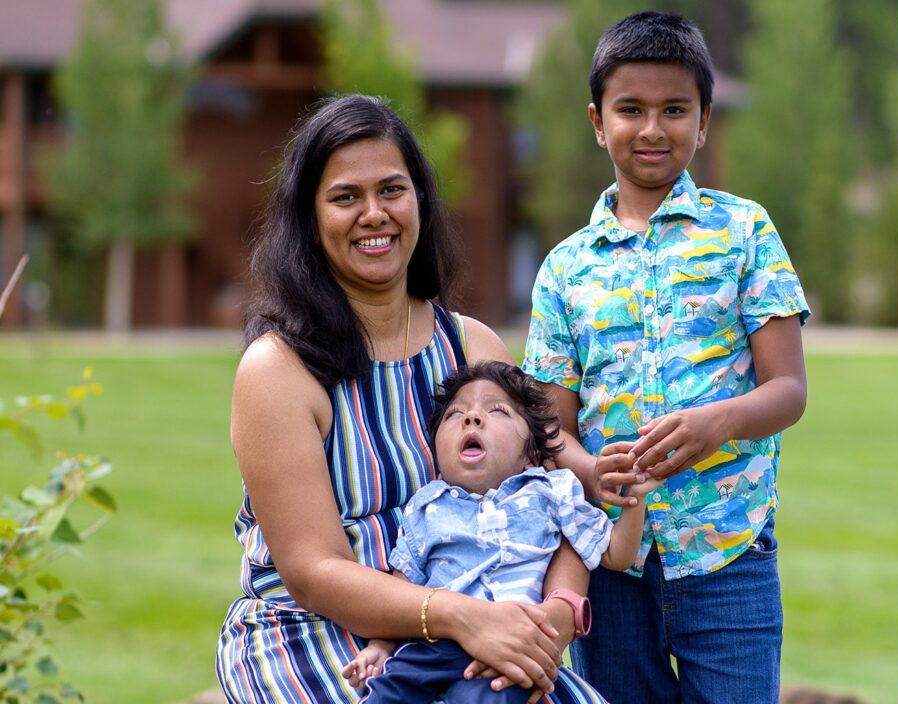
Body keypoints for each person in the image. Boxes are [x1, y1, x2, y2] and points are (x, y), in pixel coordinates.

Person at [215, 94, 605, 704]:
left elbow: (548, 510)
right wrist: (455, 617)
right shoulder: (280, 370)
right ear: (310, 220)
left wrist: (553, 619)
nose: (374, 213)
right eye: (345, 197)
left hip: (482, 622)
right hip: (320, 633)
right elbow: (315, 574)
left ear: (420, 200)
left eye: (392, 190)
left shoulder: (474, 348)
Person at [523, 11, 810, 704]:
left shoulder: (745, 231)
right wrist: (594, 471)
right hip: (610, 562)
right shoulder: (564, 270)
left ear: (704, 120)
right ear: (598, 121)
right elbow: (548, 428)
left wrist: (719, 422)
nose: (652, 129)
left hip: (729, 555)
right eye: (631, 110)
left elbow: (789, 390)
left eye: (674, 110)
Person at [343, 361, 663, 703]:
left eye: (497, 411)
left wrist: (636, 500)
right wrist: (380, 646)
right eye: (455, 415)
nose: (472, 418)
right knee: (386, 693)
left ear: (532, 455)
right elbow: (402, 584)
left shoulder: (551, 492)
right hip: (435, 642)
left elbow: (618, 554)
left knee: (485, 698)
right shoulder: (426, 506)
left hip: (512, 643)